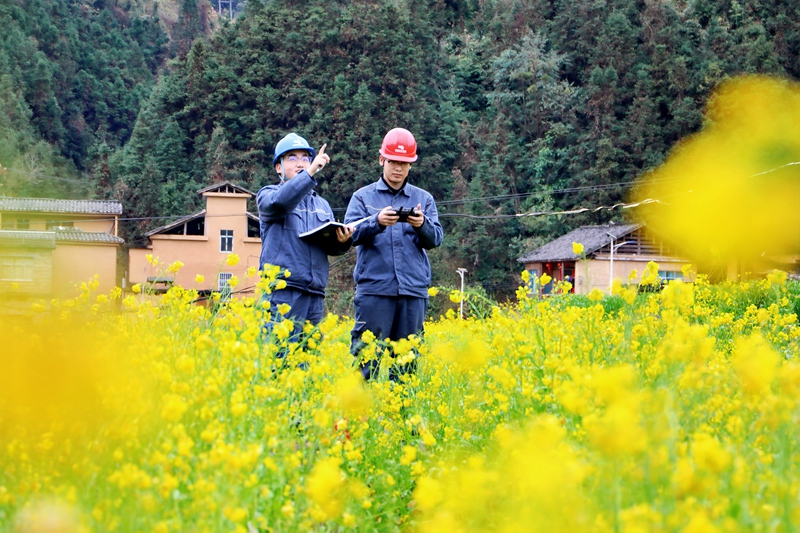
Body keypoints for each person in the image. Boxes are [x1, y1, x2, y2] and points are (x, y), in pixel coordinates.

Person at [344, 128, 444, 381]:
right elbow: (349, 235)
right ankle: (360, 417)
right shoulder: (362, 197)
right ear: (382, 160)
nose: (398, 168)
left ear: (411, 165)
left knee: (406, 366)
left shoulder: (424, 199)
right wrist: (376, 222)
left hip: (412, 292)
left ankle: (401, 418)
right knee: (366, 362)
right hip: (374, 291)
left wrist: (421, 224)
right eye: (393, 162)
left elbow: (436, 240)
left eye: (404, 163)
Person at [257, 133, 353, 349]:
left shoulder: (323, 205)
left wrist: (342, 241)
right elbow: (281, 202)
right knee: (278, 359)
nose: (300, 163)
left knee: (307, 364)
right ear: (278, 168)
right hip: (282, 291)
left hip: (315, 294)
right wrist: (309, 173)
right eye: (291, 158)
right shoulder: (268, 195)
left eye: (305, 158)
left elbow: (329, 247)